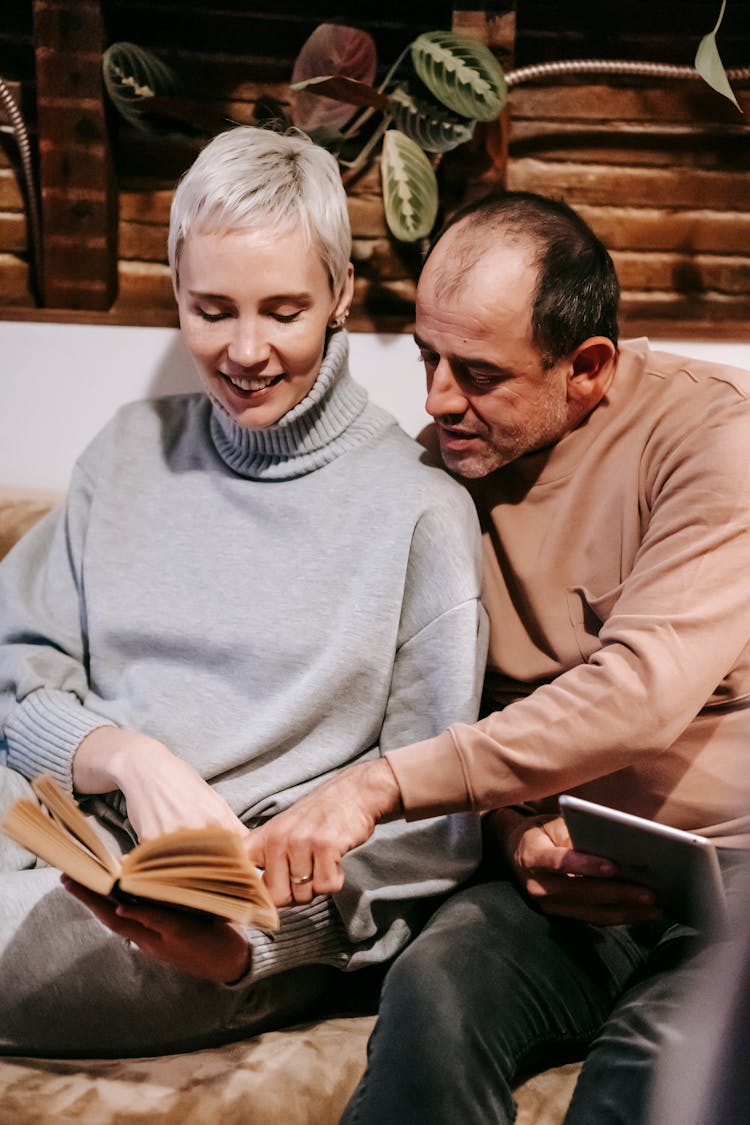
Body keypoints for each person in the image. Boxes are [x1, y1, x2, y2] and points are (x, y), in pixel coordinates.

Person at [248, 191, 750, 1123]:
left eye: (477, 372)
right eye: (429, 358)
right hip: (567, 872)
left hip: (735, 872)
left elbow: (641, 694)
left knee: (655, 1067)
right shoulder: (436, 471)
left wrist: (378, 786)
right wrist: (514, 832)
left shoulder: (713, 435)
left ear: (588, 366)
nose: (439, 401)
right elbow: (421, 698)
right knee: (433, 993)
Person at [0, 126, 488, 1056]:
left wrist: (258, 941)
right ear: (176, 287)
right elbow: (15, 678)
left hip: (220, 914)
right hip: (58, 819)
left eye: (284, 310)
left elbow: (433, 832)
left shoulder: (422, 513)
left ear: (341, 294)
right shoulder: (126, 449)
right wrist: (131, 758)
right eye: (212, 309)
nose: (245, 351)